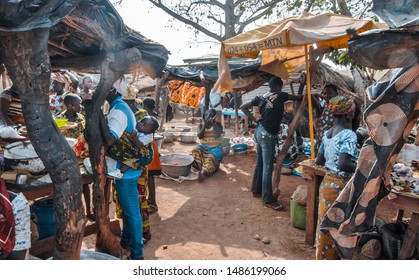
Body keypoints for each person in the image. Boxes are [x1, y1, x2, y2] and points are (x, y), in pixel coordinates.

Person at [240, 76, 303, 211]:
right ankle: (268, 199)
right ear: (278, 87)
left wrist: (254, 119)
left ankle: (256, 190)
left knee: (260, 163)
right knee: (268, 168)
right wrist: (303, 85)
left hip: (259, 131)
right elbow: (298, 97)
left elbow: (243, 107)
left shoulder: (260, 97)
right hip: (267, 134)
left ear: (270, 86)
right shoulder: (280, 96)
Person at [99, 78, 144, 260]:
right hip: (125, 168)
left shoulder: (118, 111)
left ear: (112, 90)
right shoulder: (119, 107)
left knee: (132, 212)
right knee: (127, 210)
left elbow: (110, 139)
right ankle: (125, 241)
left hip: (124, 170)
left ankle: (137, 254)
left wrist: (99, 116)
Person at [314, 96, 359, 260]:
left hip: (327, 184)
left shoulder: (327, 134)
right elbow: (343, 164)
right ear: (348, 115)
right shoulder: (349, 135)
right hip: (341, 187)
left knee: (325, 224)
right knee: (336, 228)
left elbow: (319, 160)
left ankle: (322, 257)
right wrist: (361, 169)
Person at [56, 94, 93, 220]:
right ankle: (72, 214)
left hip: (81, 157)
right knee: (69, 187)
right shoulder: (59, 120)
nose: (81, 106)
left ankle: (88, 210)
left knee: (85, 184)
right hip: (67, 158)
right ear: (71, 105)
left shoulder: (82, 118)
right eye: (78, 103)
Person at [141, 97, 162, 214]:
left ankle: (153, 203)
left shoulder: (144, 117)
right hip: (152, 146)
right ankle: (150, 200)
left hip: (149, 148)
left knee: (149, 178)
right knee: (150, 177)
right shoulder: (153, 116)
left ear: (143, 105)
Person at [192, 108, 224, 182]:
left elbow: (217, 135)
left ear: (215, 117)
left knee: (210, 157)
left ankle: (202, 173)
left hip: (215, 149)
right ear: (204, 116)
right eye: (207, 115)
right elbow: (200, 136)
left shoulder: (218, 125)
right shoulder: (200, 125)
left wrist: (213, 123)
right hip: (203, 147)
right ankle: (202, 171)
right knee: (195, 150)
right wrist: (204, 125)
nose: (209, 117)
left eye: (211, 116)